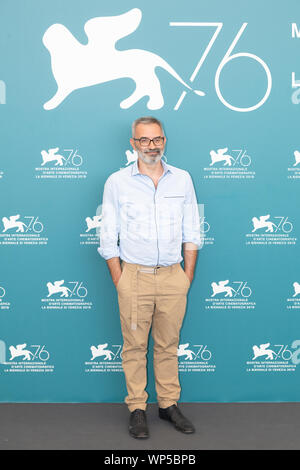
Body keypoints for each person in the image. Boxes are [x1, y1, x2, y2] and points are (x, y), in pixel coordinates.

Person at [98, 116, 201, 439]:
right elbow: (107, 235)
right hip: (134, 277)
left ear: (164, 141)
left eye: (156, 139)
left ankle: (168, 404)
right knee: (134, 346)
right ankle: (137, 409)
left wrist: (186, 276)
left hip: (173, 277)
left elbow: (192, 231)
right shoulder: (117, 182)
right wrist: (121, 278)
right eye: (143, 140)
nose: (151, 146)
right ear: (133, 144)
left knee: (168, 345)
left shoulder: (182, 179)